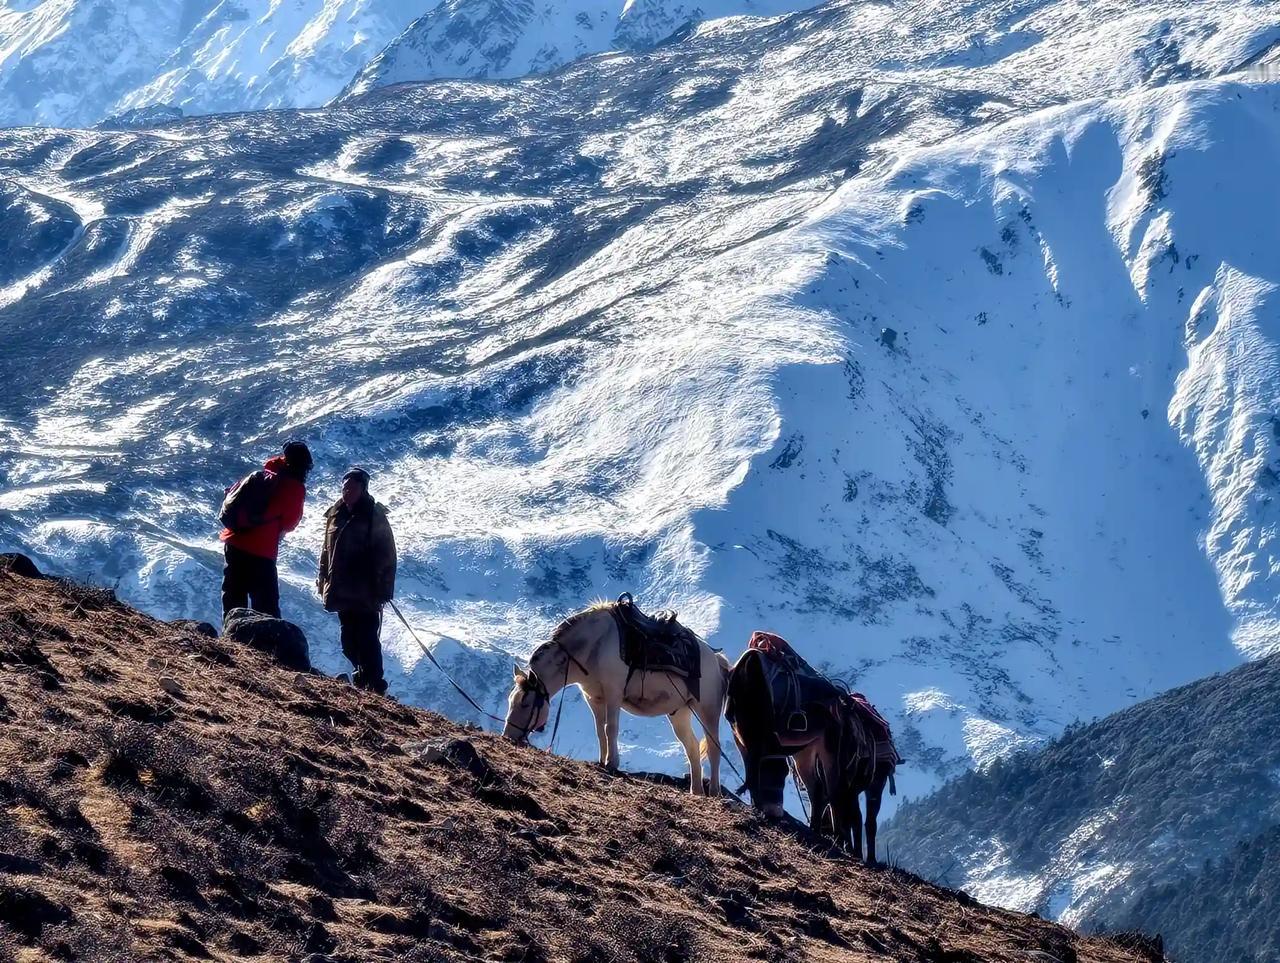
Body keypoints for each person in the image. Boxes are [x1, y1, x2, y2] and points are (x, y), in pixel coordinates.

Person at [317, 467, 397, 694]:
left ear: (363, 489)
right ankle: (361, 676)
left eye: (352, 487)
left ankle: (374, 685)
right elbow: (326, 550)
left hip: (366, 592)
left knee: (368, 637)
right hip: (341, 590)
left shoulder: (374, 516)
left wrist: (383, 590)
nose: (347, 491)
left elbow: (388, 555)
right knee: (349, 641)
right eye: (344, 486)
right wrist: (323, 579)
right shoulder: (335, 515)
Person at [220, 440, 312, 620]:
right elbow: (290, 522)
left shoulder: (264, 474)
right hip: (262, 550)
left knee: (233, 595)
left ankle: (230, 638)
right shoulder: (294, 487)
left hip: (235, 541)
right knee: (265, 605)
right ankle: (264, 645)